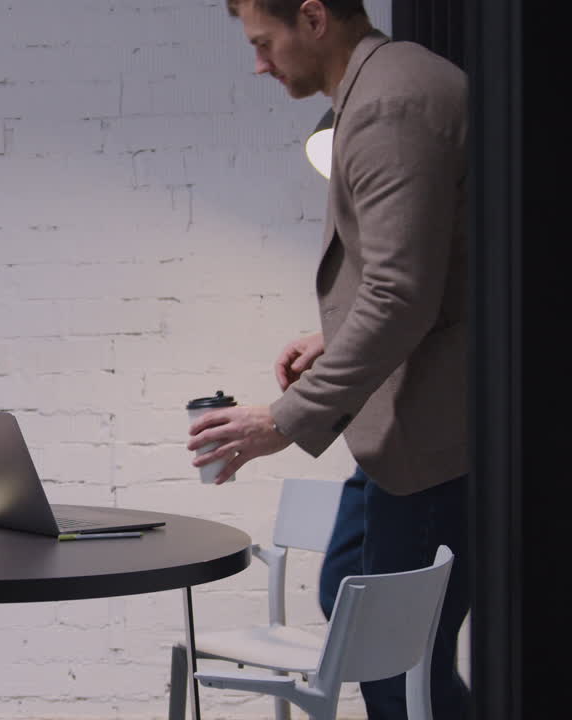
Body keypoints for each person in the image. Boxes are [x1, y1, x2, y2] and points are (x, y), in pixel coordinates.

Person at [186, 1, 470, 717]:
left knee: (399, 670)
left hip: (436, 438)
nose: (258, 63)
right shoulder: (386, 89)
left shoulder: (389, 105)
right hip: (401, 429)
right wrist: (332, 337)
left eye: (262, 42)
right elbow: (425, 269)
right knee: (349, 586)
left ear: (312, 17)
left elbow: (401, 294)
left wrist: (281, 421)